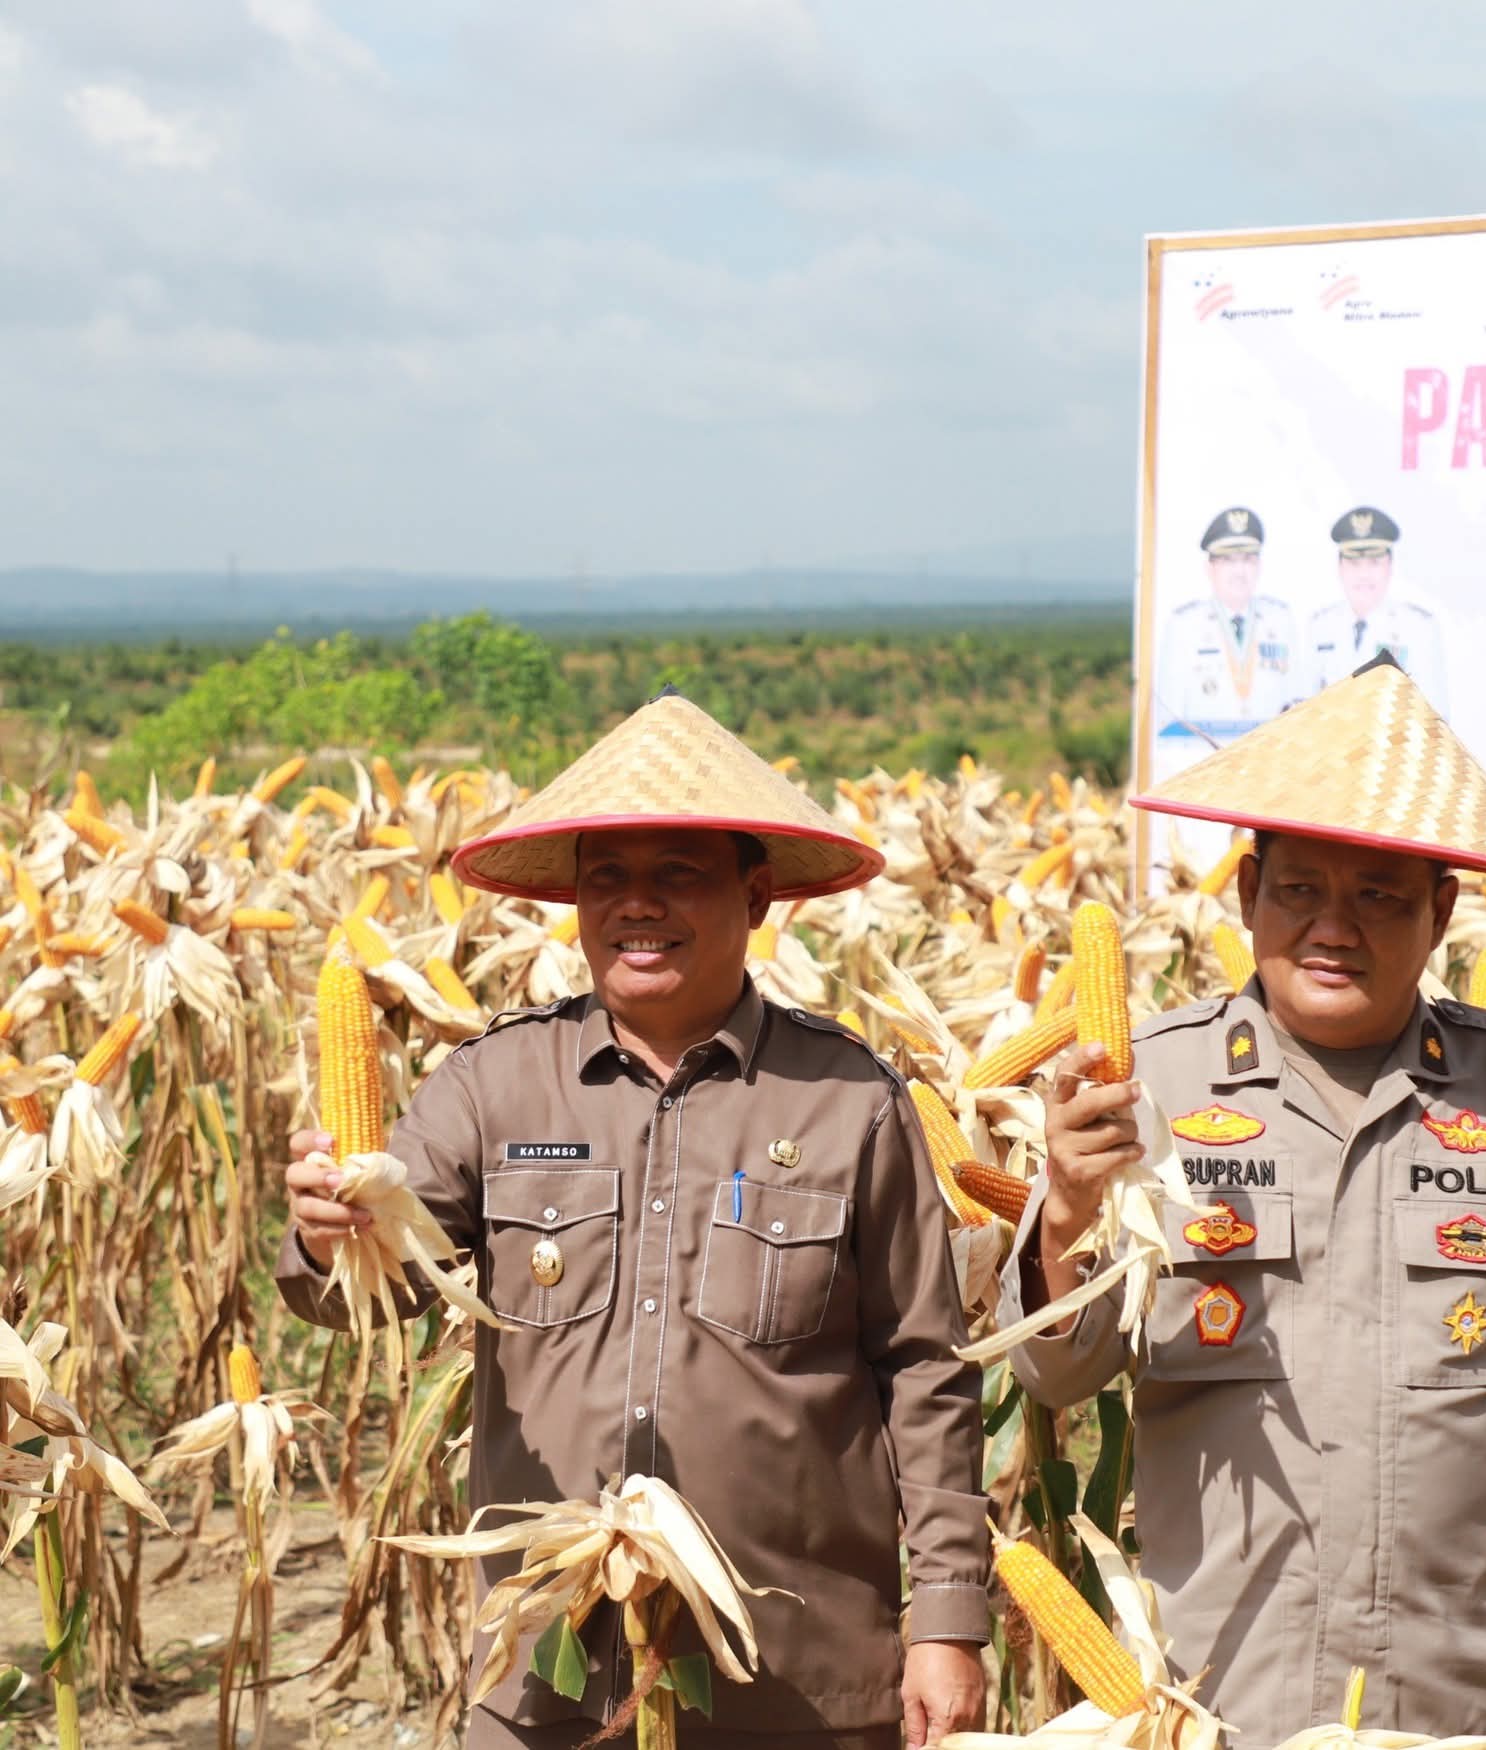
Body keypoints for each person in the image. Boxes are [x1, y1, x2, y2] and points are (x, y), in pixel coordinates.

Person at [999, 658, 1486, 1750]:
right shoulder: (1152, 1086)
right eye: (1299, 891)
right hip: (1227, 1677)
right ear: (1245, 897)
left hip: (1472, 1678)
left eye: (1377, 894)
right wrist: (1066, 1218)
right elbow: (1058, 1368)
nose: (1335, 926)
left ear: (1440, 912)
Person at [277, 690, 989, 1750]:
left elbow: (924, 1368)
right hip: (549, 1665)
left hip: (795, 1678)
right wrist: (331, 1233)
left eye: (676, 876)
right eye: (606, 877)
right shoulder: (491, 1086)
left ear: (755, 898)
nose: (635, 905)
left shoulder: (851, 1101)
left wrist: (946, 1620)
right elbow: (366, 1286)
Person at [1157, 507, 1300, 734]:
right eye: (1228, 561)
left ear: (1259, 566)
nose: (1239, 571)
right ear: (1210, 567)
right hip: (1204, 759)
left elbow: (1300, 703)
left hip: (1273, 760)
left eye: (1247, 560)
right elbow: (1168, 718)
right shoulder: (1183, 626)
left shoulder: (1281, 621)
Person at [1304, 507, 1447, 708]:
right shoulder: (1319, 626)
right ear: (1340, 567)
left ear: (1390, 565)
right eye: (1354, 563)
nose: (1364, 574)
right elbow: (1302, 710)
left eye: (1374, 562)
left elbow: (1435, 716)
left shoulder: (1419, 628)